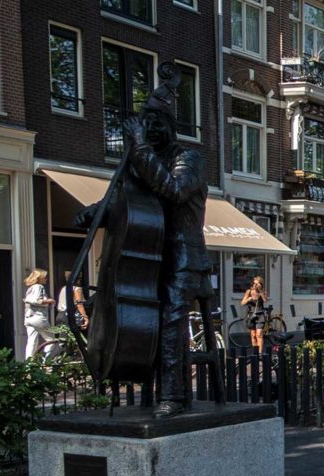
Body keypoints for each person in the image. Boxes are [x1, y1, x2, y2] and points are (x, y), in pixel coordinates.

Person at [75, 62, 213, 418]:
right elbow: (127, 202)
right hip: (147, 259)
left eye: (156, 123)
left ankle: (174, 396)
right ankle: (129, 380)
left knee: (169, 319)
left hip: (184, 260)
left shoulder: (189, 158)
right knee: (137, 316)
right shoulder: (139, 162)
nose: (149, 129)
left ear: (170, 126)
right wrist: (96, 212)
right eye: (145, 123)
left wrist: (138, 149)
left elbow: (174, 190)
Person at [23, 268, 54, 359]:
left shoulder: (30, 288)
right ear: (39, 278)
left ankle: (28, 366)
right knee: (51, 340)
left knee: (32, 342)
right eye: (45, 277)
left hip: (29, 318)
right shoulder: (39, 287)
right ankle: (47, 362)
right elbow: (37, 301)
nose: (46, 279)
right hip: (38, 318)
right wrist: (50, 301)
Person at [241, 275, 268, 353]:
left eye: (257, 284)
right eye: (254, 284)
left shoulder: (262, 292)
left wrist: (261, 291)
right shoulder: (249, 291)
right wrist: (249, 299)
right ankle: (255, 352)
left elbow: (265, 300)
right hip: (251, 315)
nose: (255, 285)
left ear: (261, 284)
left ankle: (259, 353)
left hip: (260, 315)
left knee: (259, 334)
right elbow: (242, 303)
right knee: (253, 335)